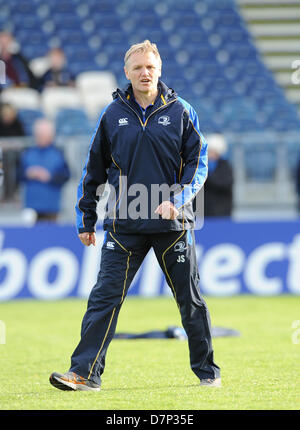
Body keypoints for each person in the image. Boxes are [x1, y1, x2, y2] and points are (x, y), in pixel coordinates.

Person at [49, 40, 221, 392]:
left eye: (151, 67)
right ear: (126, 72)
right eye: (138, 67)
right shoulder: (112, 114)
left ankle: (208, 373)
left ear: (160, 71)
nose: (145, 73)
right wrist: (86, 219)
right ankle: (84, 374)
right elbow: (92, 170)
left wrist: (180, 198)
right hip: (123, 225)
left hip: (172, 225)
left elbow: (197, 165)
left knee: (190, 301)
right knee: (103, 300)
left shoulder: (182, 111)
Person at [18, 118, 70, 222]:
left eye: (44, 134)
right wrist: (28, 174)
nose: (41, 136)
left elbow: (66, 175)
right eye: (39, 133)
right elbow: (17, 175)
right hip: (30, 207)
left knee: (51, 237)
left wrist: (49, 177)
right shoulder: (27, 153)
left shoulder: (58, 153)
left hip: (51, 208)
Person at [204, 133, 233, 217]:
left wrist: (208, 176)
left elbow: (225, 184)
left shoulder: (225, 166)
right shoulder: (202, 166)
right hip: (204, 211)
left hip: (221, 209)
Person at [0, 102, 25, 200]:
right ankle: (6, 193)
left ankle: (12, 193)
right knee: (5, 160)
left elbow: (24, 141)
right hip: (2, 153)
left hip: (15, 153)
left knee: (10, 159)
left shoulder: (18, 124)